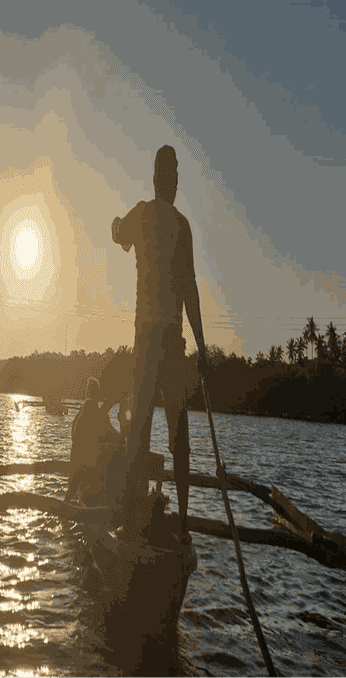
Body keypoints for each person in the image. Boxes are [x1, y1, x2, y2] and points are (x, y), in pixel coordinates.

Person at [111, 145, 209, 536]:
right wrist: (202, 344)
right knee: (177, 427)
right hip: (171, 339)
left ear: (155, 179)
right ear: (174, 182)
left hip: (150, 339)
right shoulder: (181, 225)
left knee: (141, 428)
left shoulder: (142, 213)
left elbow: (119, 236)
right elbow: (191, 290)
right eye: (176, 176)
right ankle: (182, 520)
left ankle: (133, 514)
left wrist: (115, 222)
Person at [66, 376, 124, 504]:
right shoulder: (96, 413)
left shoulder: (82, 413)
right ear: (98, 394)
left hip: (76, 467)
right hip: (89, 468)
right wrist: (124, 433)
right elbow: (112, 435)